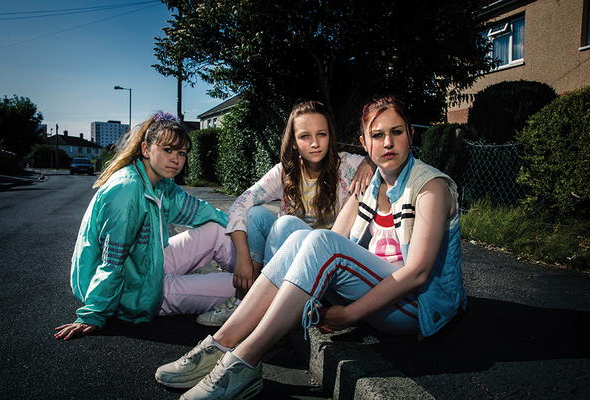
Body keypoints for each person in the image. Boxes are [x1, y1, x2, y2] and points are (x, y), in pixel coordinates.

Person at [154, 93, 467, 399]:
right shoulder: (370, 184)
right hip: (381, 294)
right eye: (377, 134)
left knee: (318, 239)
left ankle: (244, 361)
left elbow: (417, 275)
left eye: (396, 132)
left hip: (415, 308)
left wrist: (350, 315)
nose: (387, 142)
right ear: (364, 142)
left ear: (410, 135)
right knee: (299, 234)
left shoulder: (431, 188)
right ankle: (220, 345)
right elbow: (340, 238)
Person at [54, 112, 237, 340]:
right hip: (134, 291)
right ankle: (268, 293)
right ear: (145, 149)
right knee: (238, 289)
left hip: (148, 265)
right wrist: (94, 314)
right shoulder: (127, 189)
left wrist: (238, 227)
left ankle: (266, 276)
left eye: (181, 153)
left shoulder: (160, 184)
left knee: (217, 229)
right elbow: (112, 261)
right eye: (167, 150)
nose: (176, 159)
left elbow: (200, 210)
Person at [195, 99, 374, 327]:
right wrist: (242, 257)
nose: (315, 143)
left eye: (322, 134)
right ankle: (247, 301)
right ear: (293, 142)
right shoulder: (285, 172)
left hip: (329, 262)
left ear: (331, 135)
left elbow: (388, 159)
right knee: (257, 216)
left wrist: (369, 162)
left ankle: (255, 309)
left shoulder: (348, 166)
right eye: (304, 136)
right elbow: (241, 203)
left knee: (285, 225)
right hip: (291, 263)